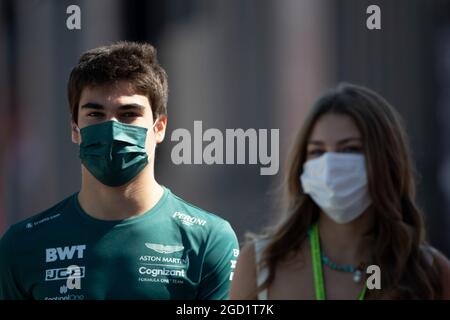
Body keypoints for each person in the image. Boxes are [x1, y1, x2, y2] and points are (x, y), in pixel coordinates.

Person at [0, 41, 239, 300]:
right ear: (74, 128)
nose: (112, 128)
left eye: (128, 114)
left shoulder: (207, 240)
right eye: (95, 114)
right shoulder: (23, 244)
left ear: (159, 128)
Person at [230, 83, 450, 300]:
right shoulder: (259, 266)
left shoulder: (431, 273)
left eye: (350, 149)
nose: (331, 164)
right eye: (317, 151)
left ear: (385, 160)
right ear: (302, 165)